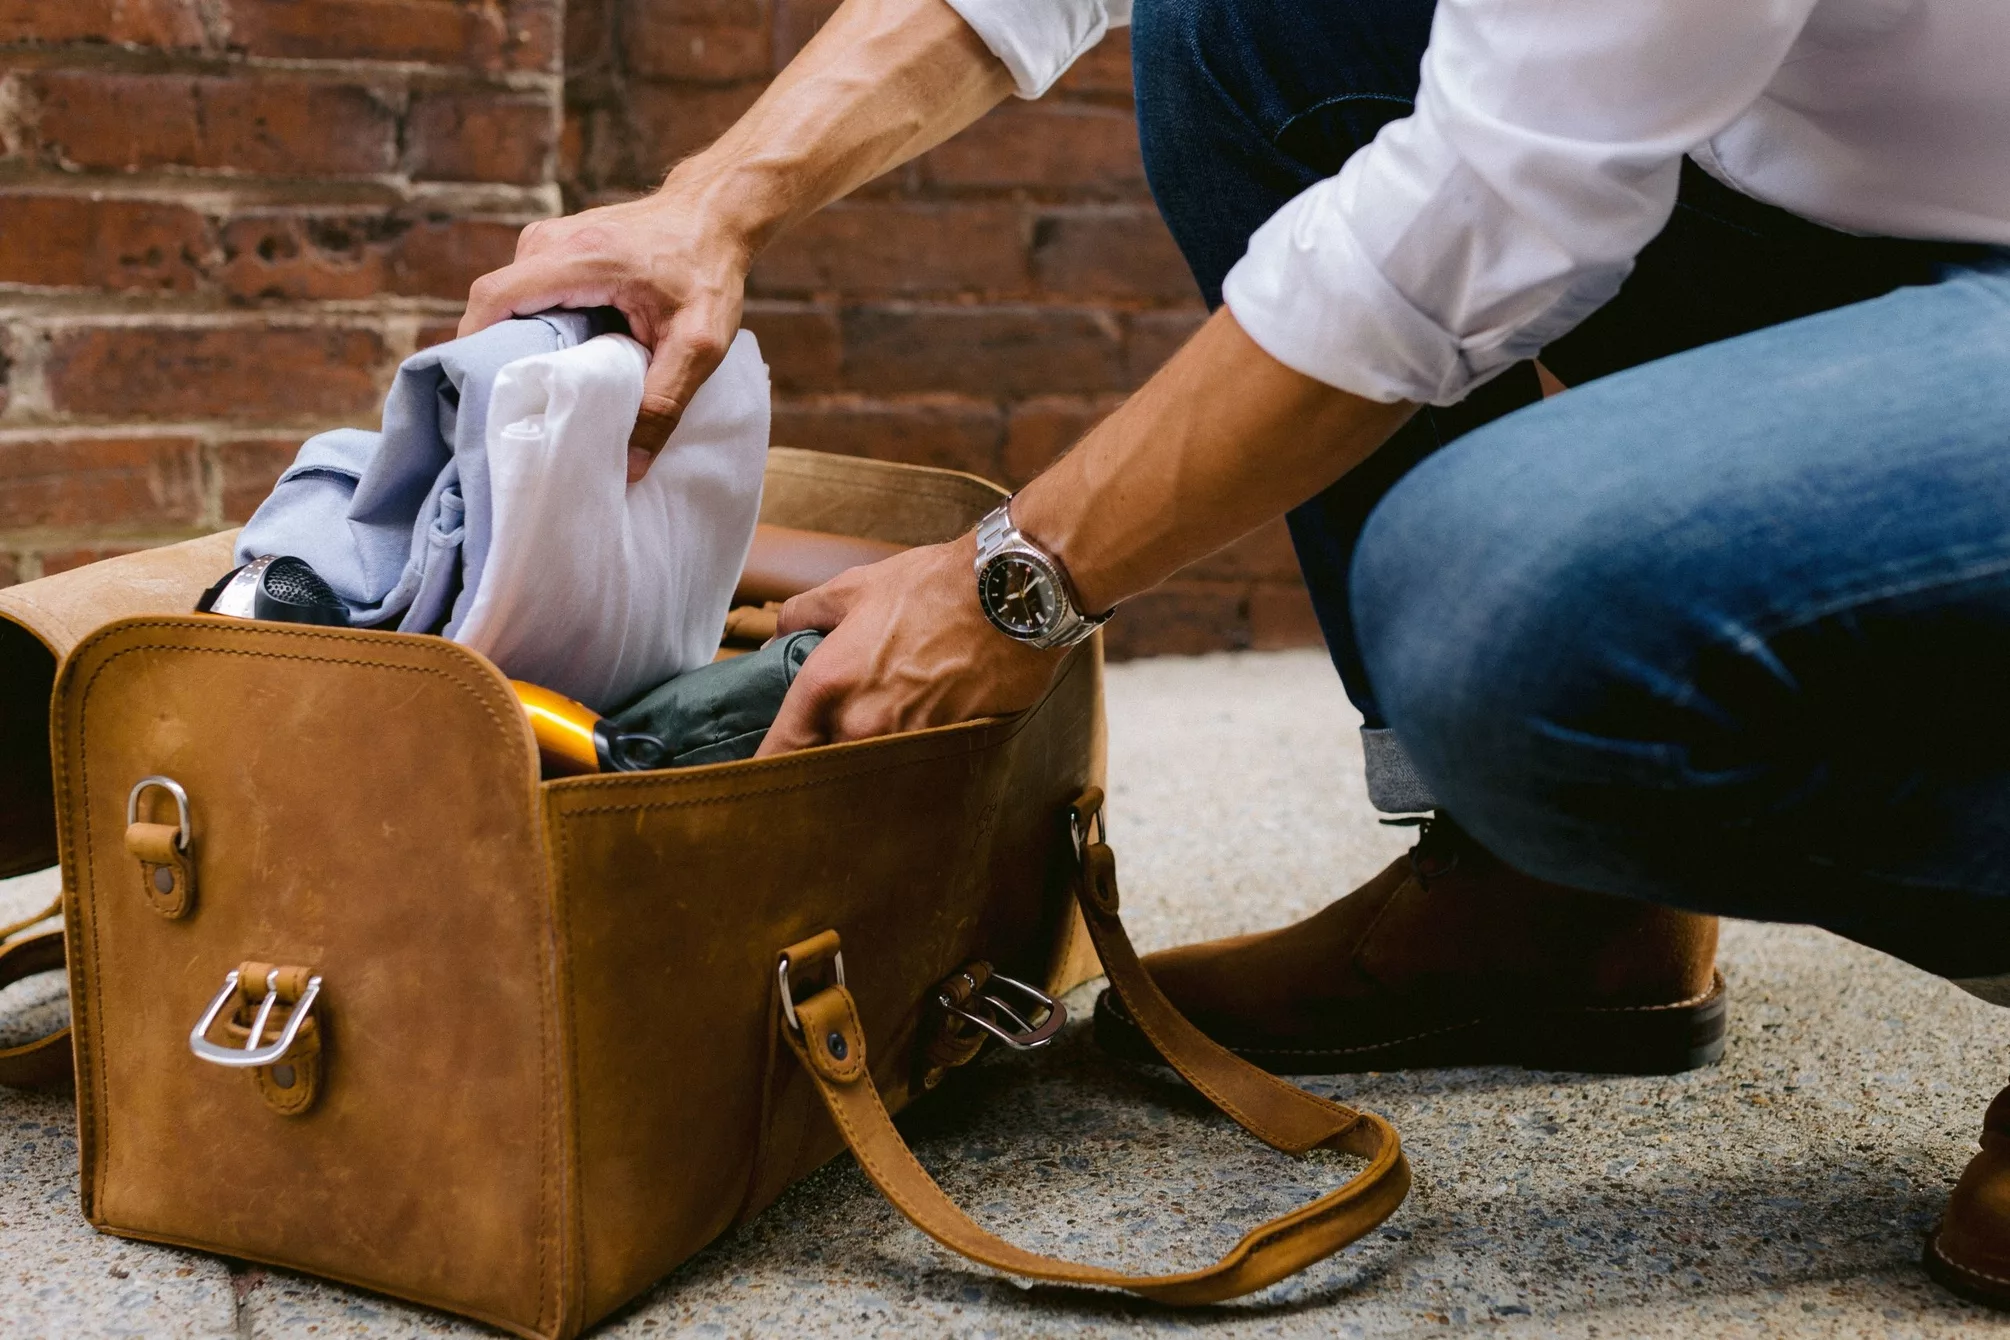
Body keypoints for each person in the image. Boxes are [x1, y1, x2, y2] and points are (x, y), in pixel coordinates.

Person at [459, 0, 2010, 1304]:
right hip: (1874, 183)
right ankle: (1554, 910)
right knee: (1247, 30)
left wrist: (1021, 581)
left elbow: (1484, 204)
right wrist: (716, 196)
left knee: (1504, 606)